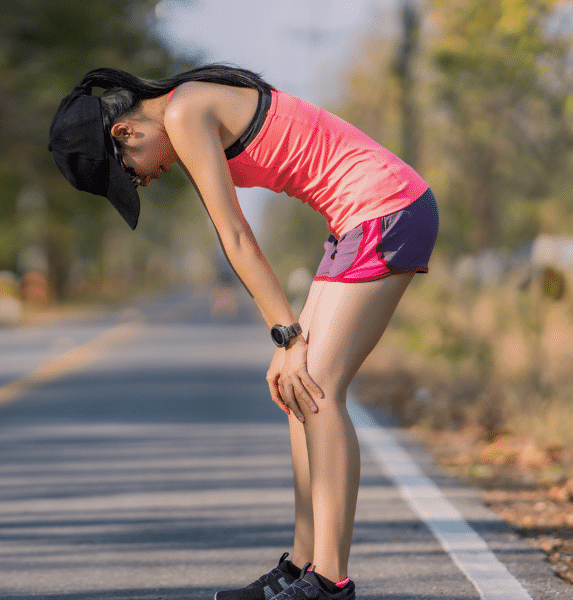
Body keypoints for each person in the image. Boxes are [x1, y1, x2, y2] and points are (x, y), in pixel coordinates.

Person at [48, 64, 439, 600]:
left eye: (130, 174)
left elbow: (234, 236)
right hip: (356, 219)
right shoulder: (184, 114)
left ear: (125, 133)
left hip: (387, 209)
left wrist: (287, 336)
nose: (144, 180)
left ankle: (330, 582)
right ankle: (301, 568)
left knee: (318, 387)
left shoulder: (185, 112)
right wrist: (286, 343)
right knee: (296, 390)